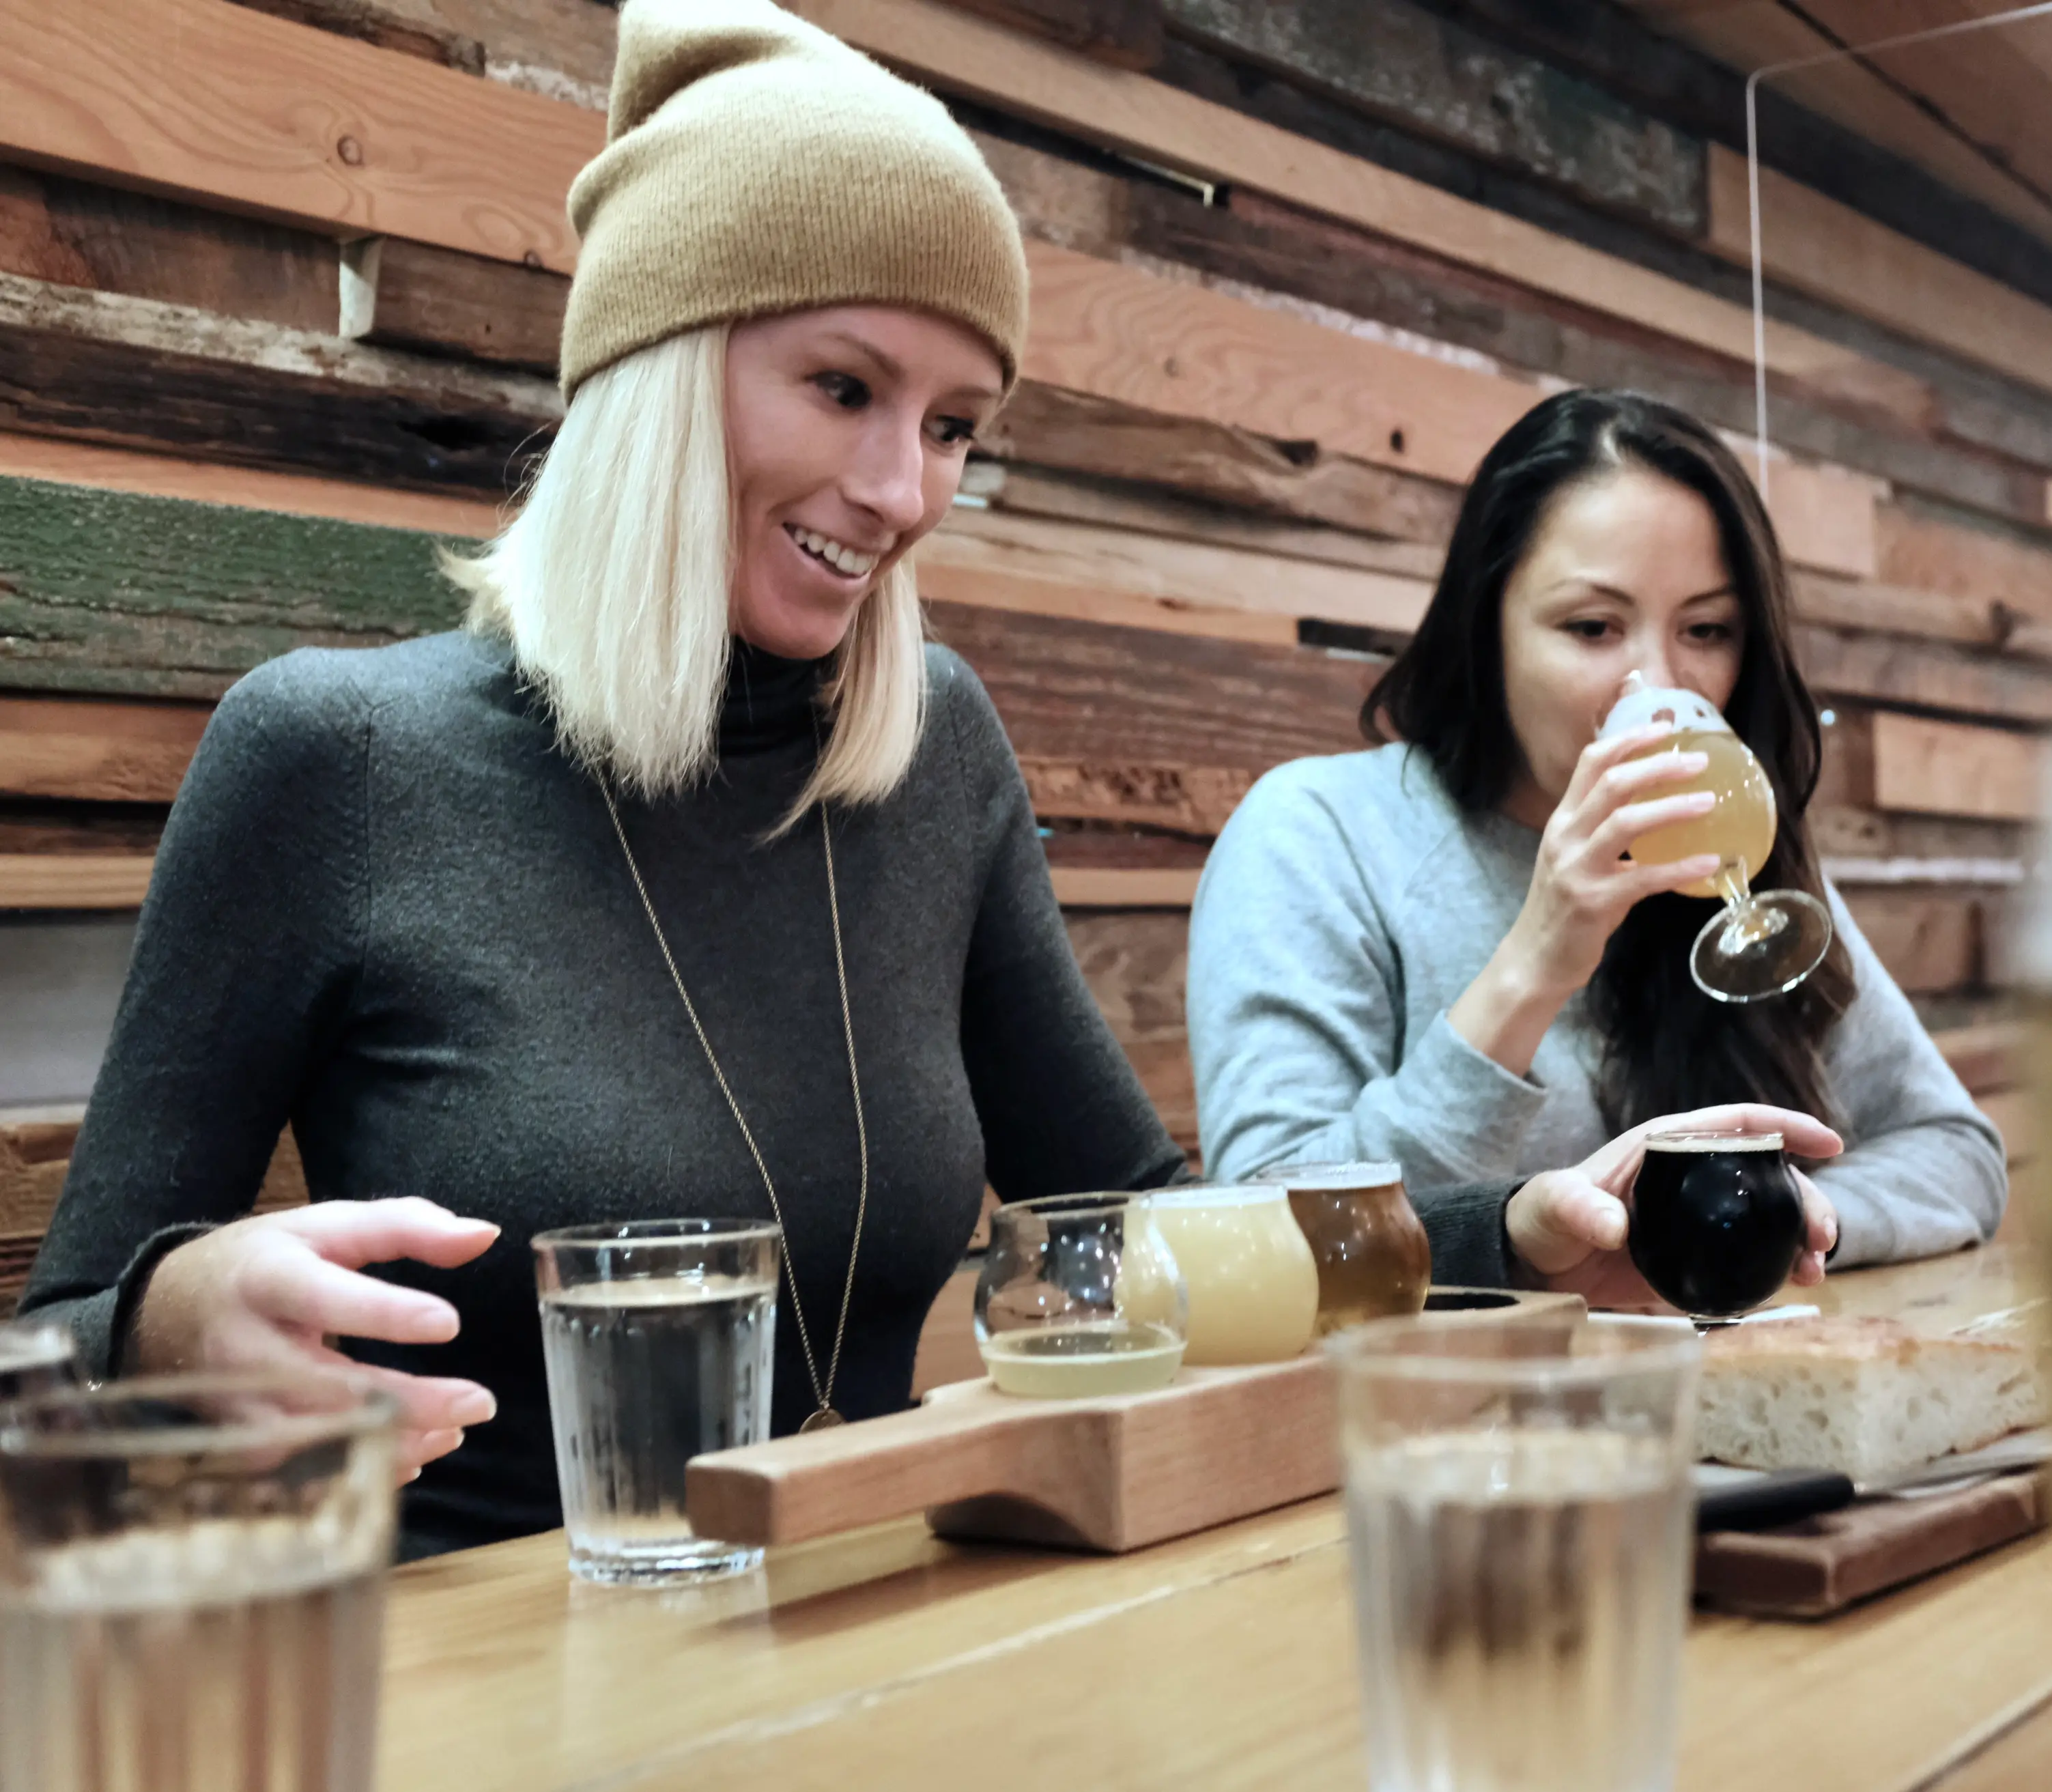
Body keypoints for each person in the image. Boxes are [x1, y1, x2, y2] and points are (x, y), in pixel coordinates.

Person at [16, 0, 1187, 1557]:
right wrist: (168, 1324)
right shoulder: (336, 759)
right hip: (484, 1688)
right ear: (658, 366)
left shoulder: (934, 749)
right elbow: (61, 1348)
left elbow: (1136, 1220)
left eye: (955, 425)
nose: (905, 489)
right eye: (844, 387)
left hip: (885, 1654)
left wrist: (1509, 1226)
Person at [1187, 390, 2006, 1301]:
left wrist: (1795, 1218)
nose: (1657, 684)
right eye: (1591, 628)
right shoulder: (1322, 835)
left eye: (1706, 632)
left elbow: (1956, 1150)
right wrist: (1535, 962)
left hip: (1722, 1422)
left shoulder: (1724, 854)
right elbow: (1263, 1227)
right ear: (1485, 624)